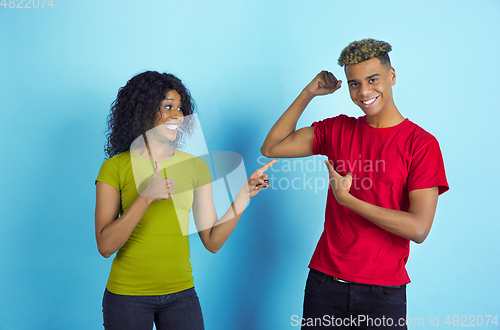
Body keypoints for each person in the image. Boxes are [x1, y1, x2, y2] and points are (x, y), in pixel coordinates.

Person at [261, 39, 449, 329]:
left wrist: (348, 201)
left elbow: (419, 228)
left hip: (383, 293)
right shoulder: (337, 129)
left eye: (372, 80)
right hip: (325, 284)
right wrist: (308, 93)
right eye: (354, 84)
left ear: (392, 76)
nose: (364, 92)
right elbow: (272, 147)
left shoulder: (421, 145)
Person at [95, 71, 276, 330]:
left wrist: (243, 195)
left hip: (181, 296)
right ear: (143, 110)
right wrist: (144, 198)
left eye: (180, 109)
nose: (178, 116)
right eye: (168, 107)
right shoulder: (115, 168)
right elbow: (104, 246)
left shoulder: (194, 167)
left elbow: (212, 241)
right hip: (127, 297)